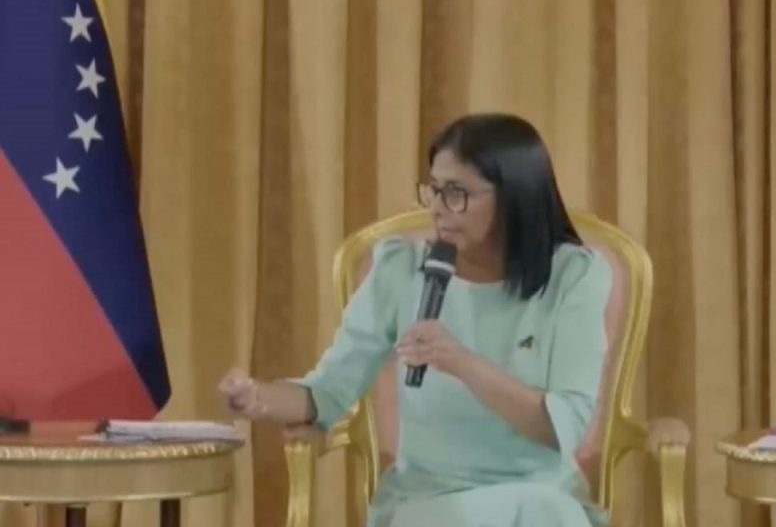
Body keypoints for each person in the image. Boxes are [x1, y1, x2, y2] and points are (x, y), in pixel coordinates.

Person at [219, 113, 612, 527]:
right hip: (431, 497)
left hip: (539, 493)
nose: (438, 209)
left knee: (545, 511)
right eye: (434, 190)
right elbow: (329, 392)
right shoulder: (401, 268)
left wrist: (461, 362)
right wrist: (260, 398)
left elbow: (561, 426)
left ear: (515, 195)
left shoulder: (573, 276)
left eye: (456, 193)